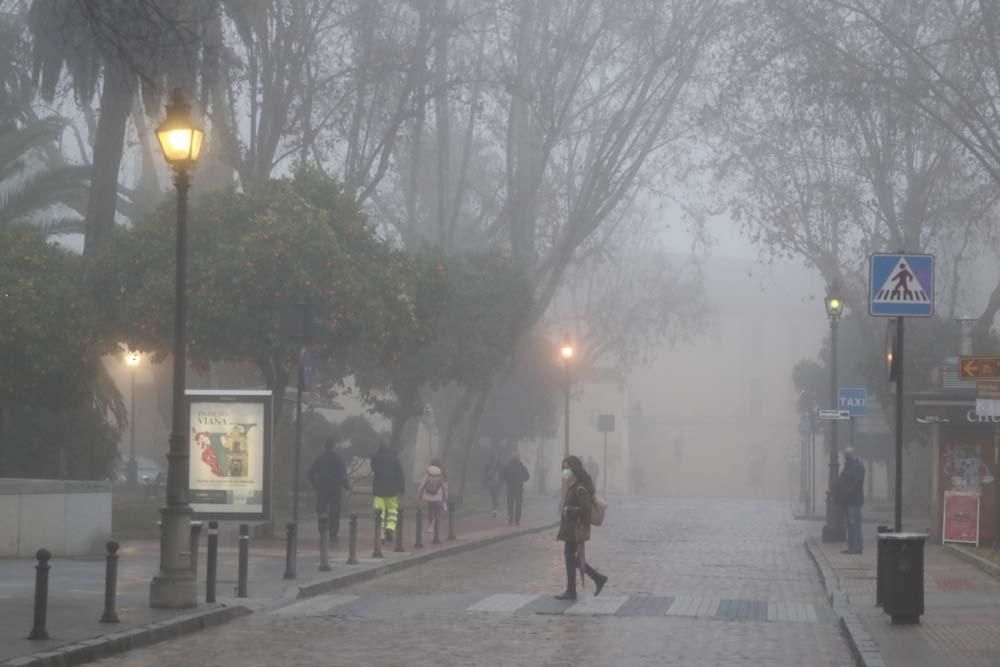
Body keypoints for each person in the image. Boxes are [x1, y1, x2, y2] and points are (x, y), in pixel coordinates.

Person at [556, 455, 607, 600]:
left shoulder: (580, 487)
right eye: (563, 467)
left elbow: (585, 509)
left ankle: (572, 591)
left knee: (570, 558)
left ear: (574, 469)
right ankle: (597, 578)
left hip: (575, 529)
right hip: (571, 528)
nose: (564, 470)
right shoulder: (573, 485)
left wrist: (570, 510)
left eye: (567, 467)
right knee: (574, 559)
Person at [308, 437, 350, 543]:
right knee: (335, 511)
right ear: (334, 446)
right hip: (335, 488)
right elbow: (343, 475)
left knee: (322, 510)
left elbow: (310, 473)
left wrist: (315, 485)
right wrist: (347, 487)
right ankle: (333, 532)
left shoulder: (320, 458)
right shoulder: (338, 459)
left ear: (325, 446)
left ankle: (322, 529)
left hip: (322, 488)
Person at [371, 441, 405, 544]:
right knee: (392, 512)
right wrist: (401, 488)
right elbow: (400, 473)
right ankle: (390, 529)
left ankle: (380, 536)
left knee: (379, 513)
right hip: (391, 490)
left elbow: (374, 470)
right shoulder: (394, 458)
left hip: (378, 491)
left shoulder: (375, 458)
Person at [837, 447, 866, 554]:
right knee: (851, 525)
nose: (846, 457)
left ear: (852, 455)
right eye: (846, 455)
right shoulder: (849, 466)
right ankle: (852, 547)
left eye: (847, 455)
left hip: (854, 501)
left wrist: (847, 492)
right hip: (849, 501)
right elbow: (842, 480)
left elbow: (856, 484)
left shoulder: (857, 467)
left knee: (854, 525)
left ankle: (856, 548)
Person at [418, 458, 449, 534]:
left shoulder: (428, 473)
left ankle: (430, 526)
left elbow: (422, 485)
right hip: (439, 497)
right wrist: (445, 498)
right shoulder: (442, 474)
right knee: (437, 513)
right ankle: (433, 526)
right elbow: (445, 487)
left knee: (430, 512)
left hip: (429, 496)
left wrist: (420, 496)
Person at [502, 452, 530, 526]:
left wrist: (508, 481)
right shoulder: (521, 467)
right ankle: (517, 521)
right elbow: (527, 477)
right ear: (518, 458)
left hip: (510, 488)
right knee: (518, 505)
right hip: (519, 488)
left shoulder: (508, 466)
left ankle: (510, 520)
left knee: (510, 505)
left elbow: (504, 476)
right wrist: (521, 479)